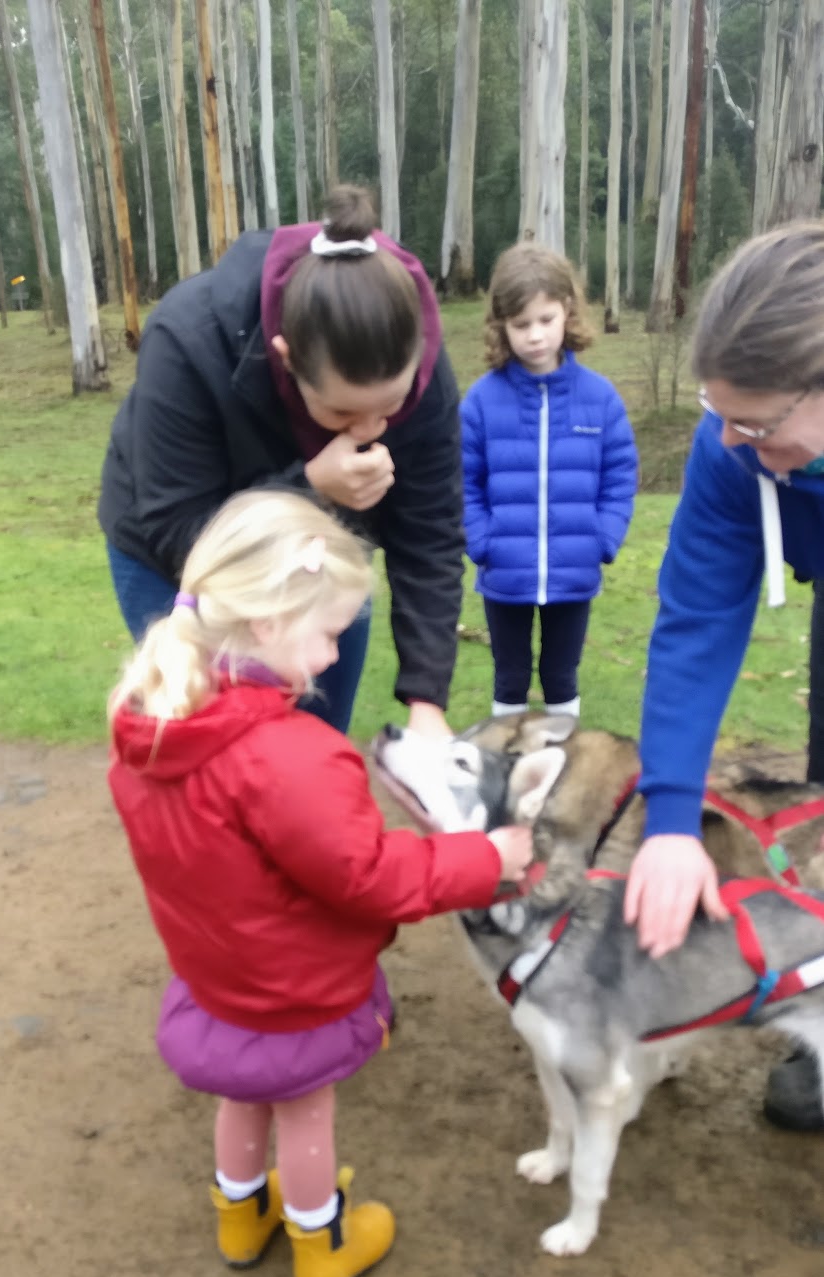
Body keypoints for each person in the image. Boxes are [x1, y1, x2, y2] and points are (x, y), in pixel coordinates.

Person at [107, 491, 535, 1277]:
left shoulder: (153, 726)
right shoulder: (291, 756)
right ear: (268, 623)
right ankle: (321, 1240)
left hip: (218, 978)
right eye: (332, 633)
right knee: (304, 1112)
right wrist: (482, 858)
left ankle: (240, 1218)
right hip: (293, 990)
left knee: (243, 1095)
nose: (338, 656)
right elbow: (370, 874)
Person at [99, 184, 465, 740]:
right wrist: (313, 487)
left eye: (392, 407)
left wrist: (427, 702)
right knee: (218, 751)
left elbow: (431, 537)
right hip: (178, 556)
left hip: (324, 561)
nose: (368, 433)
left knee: (313, 748)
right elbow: (178, 528)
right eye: (343, 411)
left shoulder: (423, 369)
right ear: (286, 357)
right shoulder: (189, 339)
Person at [622, 220, 824, 1133]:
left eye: (757, 422)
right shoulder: (731, 449)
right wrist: (670, 822)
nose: (734, 441)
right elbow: (698, 622)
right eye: (720, 416)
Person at [460, 243, 638, 719]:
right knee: (510, 676)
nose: (535, 336)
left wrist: (602, 538)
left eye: (545, 320)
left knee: (561, 676)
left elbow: (620, 476)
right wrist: (482, 541)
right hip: (505, 572)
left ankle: (563, 772)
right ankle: (507, 768)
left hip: (575, 571)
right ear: (502, 326)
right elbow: (462, 482)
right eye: (521, 325)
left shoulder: (600, 400)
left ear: (567, 313)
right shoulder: (480, 402)